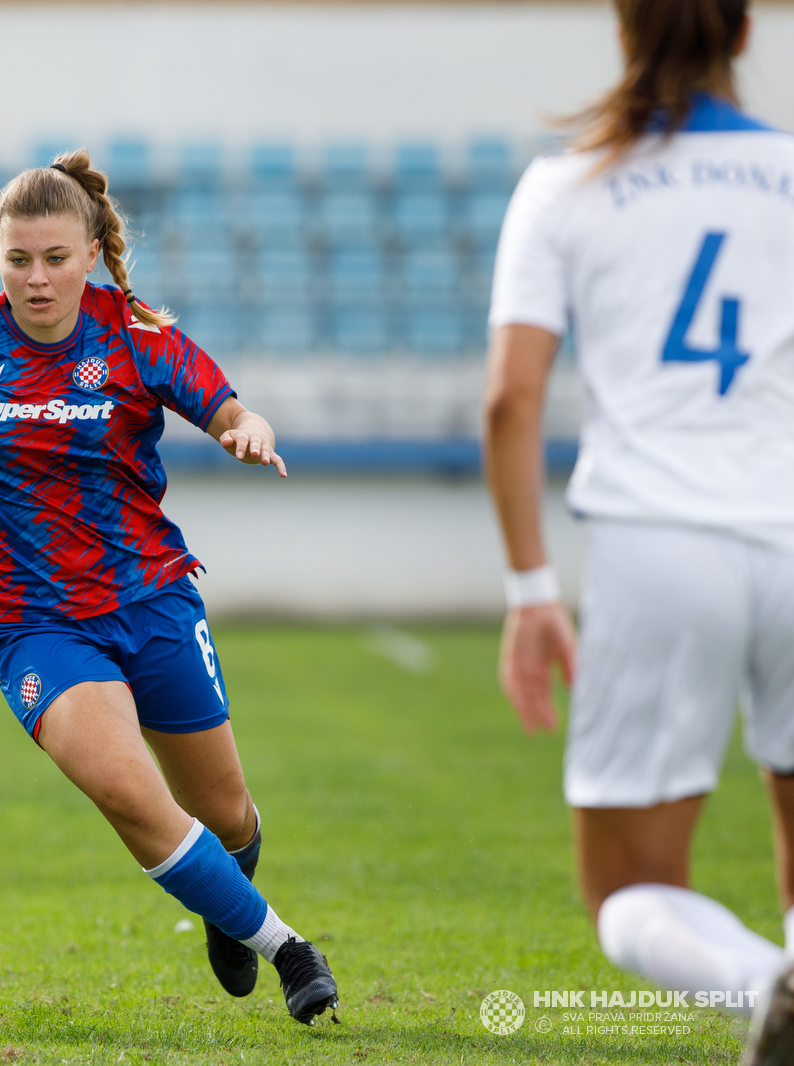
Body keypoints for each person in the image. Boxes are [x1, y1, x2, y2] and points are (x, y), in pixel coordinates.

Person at [0, 149, 339, 1024]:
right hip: (33, 625)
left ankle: (226, 903)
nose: (37, 278)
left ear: (91, 252)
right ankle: (286, 946)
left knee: (227, 814)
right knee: (128, 793)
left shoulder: (139, 339)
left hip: (153, 600)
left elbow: (235, 410)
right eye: (18, 259)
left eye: (55, 258)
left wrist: (247, 434)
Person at [482, 0, 794, 1057]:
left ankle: (759, 984)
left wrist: (529, 590)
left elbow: (509, 403)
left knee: (625, 889)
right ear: (742, 34)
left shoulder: (566, 184)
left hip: (659, 544)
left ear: (623, 30)